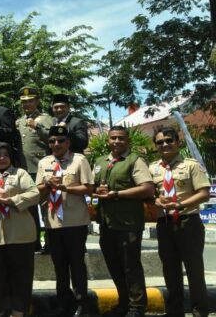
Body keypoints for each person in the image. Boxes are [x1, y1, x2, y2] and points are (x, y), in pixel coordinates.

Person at [91, 126, 154, 317]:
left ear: (127, 141)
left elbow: (147, 188)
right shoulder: (101, 161)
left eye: (121, 138)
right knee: (114, 266)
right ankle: (124, 303)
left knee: (130, 267)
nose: (116, 142)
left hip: (128, 223)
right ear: (107, 141)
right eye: (113, 138)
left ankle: (137, 307)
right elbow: (94, 187)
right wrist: (97, 192)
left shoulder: (134, 160)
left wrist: (117, 194)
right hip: (107, 223)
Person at [149, 127, 210, 317]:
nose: (165, 145)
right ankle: (175, 311)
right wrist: (156, 201)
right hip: (165, 223)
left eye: (169, 140)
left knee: (194, 269)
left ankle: (199, 310)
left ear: (178, 142)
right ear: (156, 146)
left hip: (188, 222)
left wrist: (180, 205)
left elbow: (204, 194)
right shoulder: (152, 168)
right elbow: (149, 194)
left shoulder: (191, 165)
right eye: (160, 142)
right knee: (170, 268)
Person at [0, 142, 40, 317]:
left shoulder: (21, 174)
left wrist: (11, 200)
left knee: (21, 276)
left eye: (5, 155)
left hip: (20, 235)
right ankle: (0, 311)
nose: (1, 158)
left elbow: (34, 194)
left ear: (11, 157)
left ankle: (18, 311)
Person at [35, 126, 94, 317]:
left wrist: (64, 187)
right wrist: (47, 185)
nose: (56, 144)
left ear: (68, 143)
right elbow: (38, 191)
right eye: (52, 141)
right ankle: (63, 302)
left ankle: (81, 303)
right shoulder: (44, 162)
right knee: (59, 266)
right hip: (53, 222)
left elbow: (88, 188)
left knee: (76, 265)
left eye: (60, 140)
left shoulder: (79, 160)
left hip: (75, 221)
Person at [15, 86, 53, 252]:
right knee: (29, 209)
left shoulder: (46, 119)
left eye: (30, 101)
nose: (27, 104)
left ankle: (51, 243)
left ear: (37, 101)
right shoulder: (18, 121)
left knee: (47, 206)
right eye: (24, 102)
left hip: (41, 169)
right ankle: (34, 241)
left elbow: (53, 139)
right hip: (24, 169)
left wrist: (37, 127)